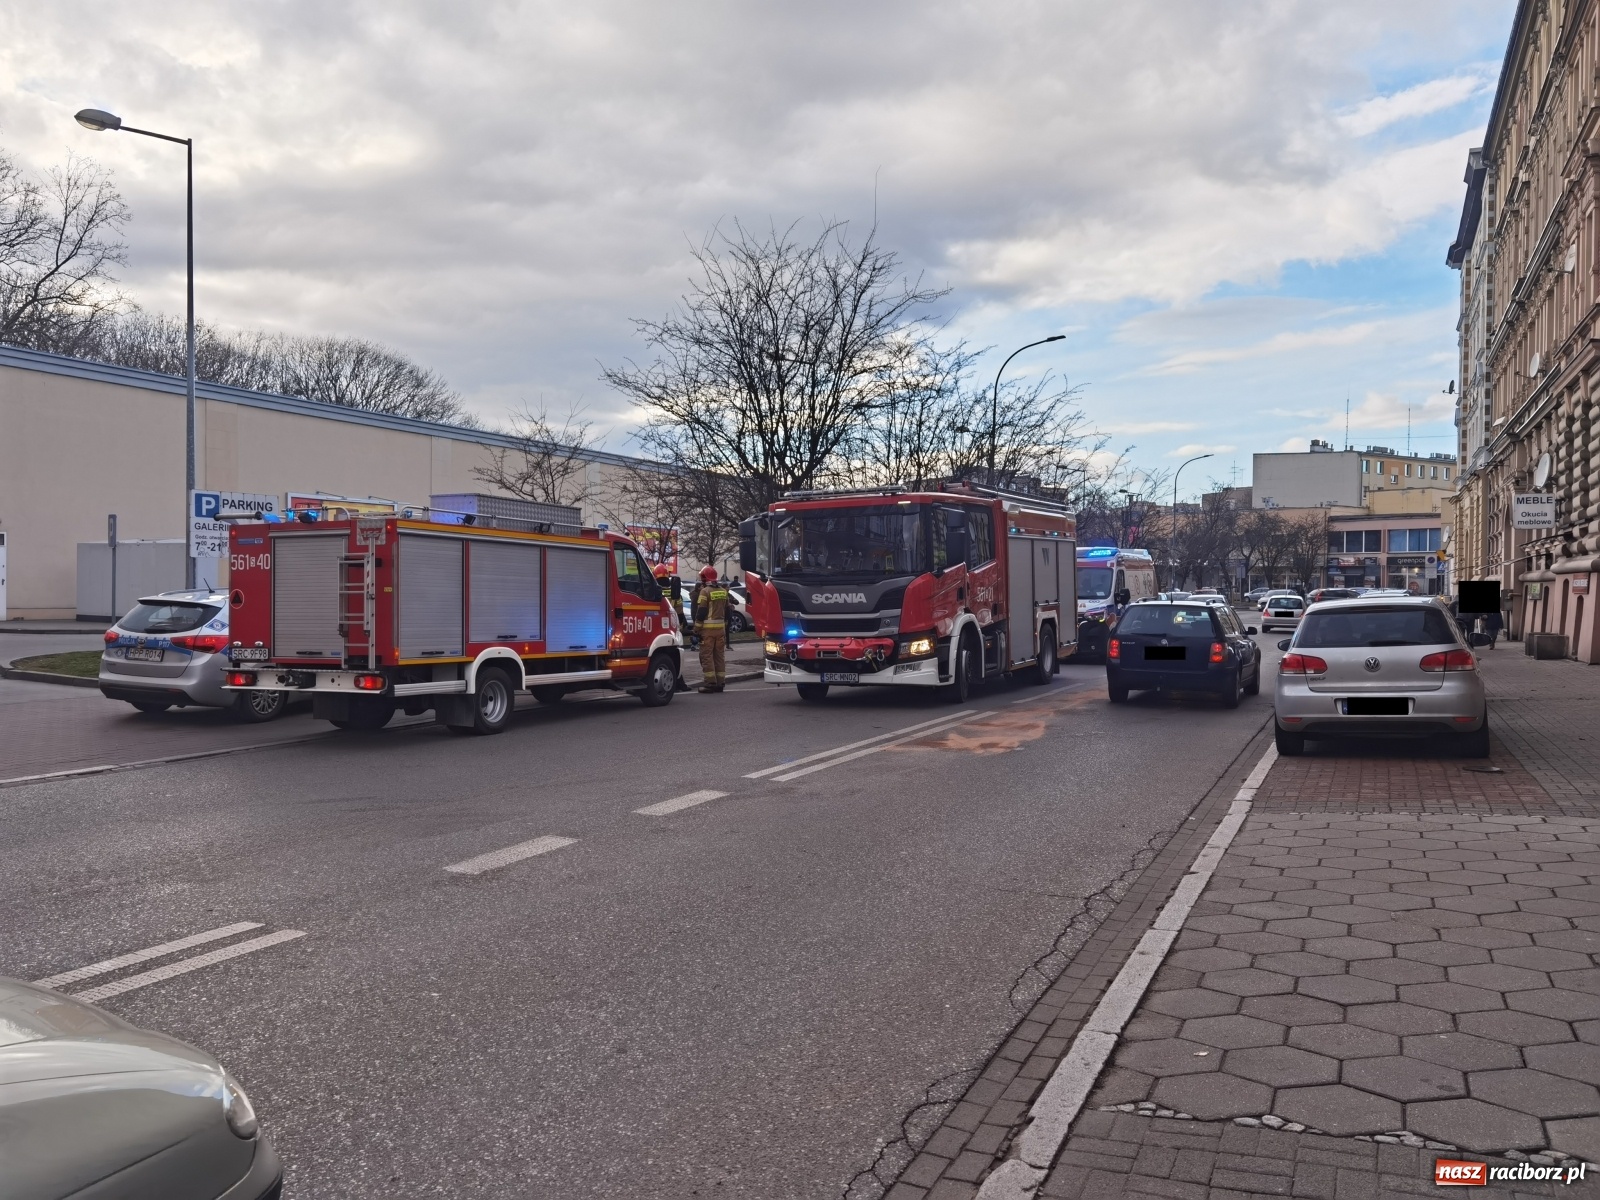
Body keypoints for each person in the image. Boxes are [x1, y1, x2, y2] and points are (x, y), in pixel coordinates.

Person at [654, 565, 692, 692]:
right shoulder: (674, 591)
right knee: (674, 656)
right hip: (672, 628)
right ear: (667, 575)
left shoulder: (652, 588)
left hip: (655, 628)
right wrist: (681, 626)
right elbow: (680, 612)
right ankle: (679, 683)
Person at [692, 565, 729, 693]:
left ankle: (710, 683)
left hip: (707, 631)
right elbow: (728, 610)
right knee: (719, 656)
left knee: (706, 656)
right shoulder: (723, 591)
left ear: (704, 578)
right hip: (721, 630)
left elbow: (701, 612)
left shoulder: (705, 591)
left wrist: (696, 629)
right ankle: (720, 683)